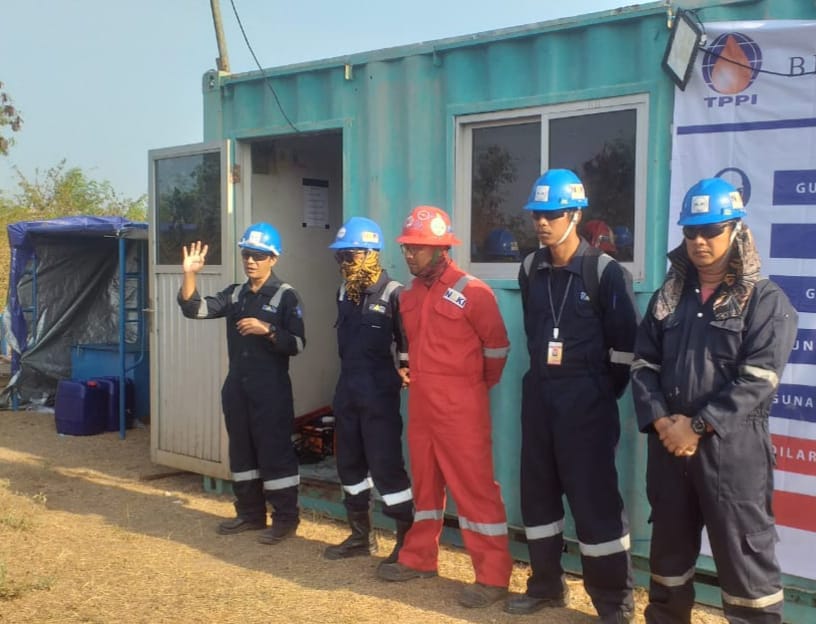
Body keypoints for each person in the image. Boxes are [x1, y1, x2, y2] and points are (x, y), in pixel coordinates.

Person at [631, 177, 797, 624]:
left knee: (746, 565)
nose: (699, 242)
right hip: (670, 452)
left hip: (732, 456)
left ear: (737, 230)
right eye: (691, 232)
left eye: (711, 230)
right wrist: (664, 424)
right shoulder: (668, 298)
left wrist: (697, 426)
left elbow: (758, 380)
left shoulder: (765, 300)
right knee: (668, 559)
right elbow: (643, 367)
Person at [508, 169, 638, 623]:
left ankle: (613, 605)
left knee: (594, 502)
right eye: (537, 215)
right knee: (538, 495)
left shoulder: (604, 272)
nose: (543, 223)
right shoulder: (530, 268)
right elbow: (533, 331)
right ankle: (545, 586)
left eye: (553, 214)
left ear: (576, 214)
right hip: (540, 395)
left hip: (587, 401)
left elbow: (624, 348)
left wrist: (599, 394)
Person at [376, 205, 513, 609]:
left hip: (461, 410)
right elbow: (412, 346)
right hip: (421, 407)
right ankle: (419, 558)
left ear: (440, 249)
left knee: (475, 492)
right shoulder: (409, 295)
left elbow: (497, 349)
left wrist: (470, 388)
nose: (409, 255)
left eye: (418, 248)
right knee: (426, 486)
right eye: (407, 247)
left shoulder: (474, 292)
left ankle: (492, 576)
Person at [177, 222, 305, 544]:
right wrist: (190, 274)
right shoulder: (235, 294)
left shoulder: (285, 296)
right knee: (242, 452)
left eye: (259, 256)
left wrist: (269, 330)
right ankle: (250, 514)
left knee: (275, 452)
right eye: (247, 254)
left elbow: (299, 344)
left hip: (271, 389)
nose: (251, 261)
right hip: (237, 386)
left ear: (273, 259)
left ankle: (285, 520)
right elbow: (195, 309)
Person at [323, 216, 414, 562]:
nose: (345, 263)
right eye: (341, 257)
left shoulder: (395, 294)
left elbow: (406, 344)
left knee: (386, 466)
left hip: (379, 394)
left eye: (352, 255)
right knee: (349, 465)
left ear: (372, 254)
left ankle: (406, 542)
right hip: (346, 390)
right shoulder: (343, 292)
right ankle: (361, 536)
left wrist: (406, 368)